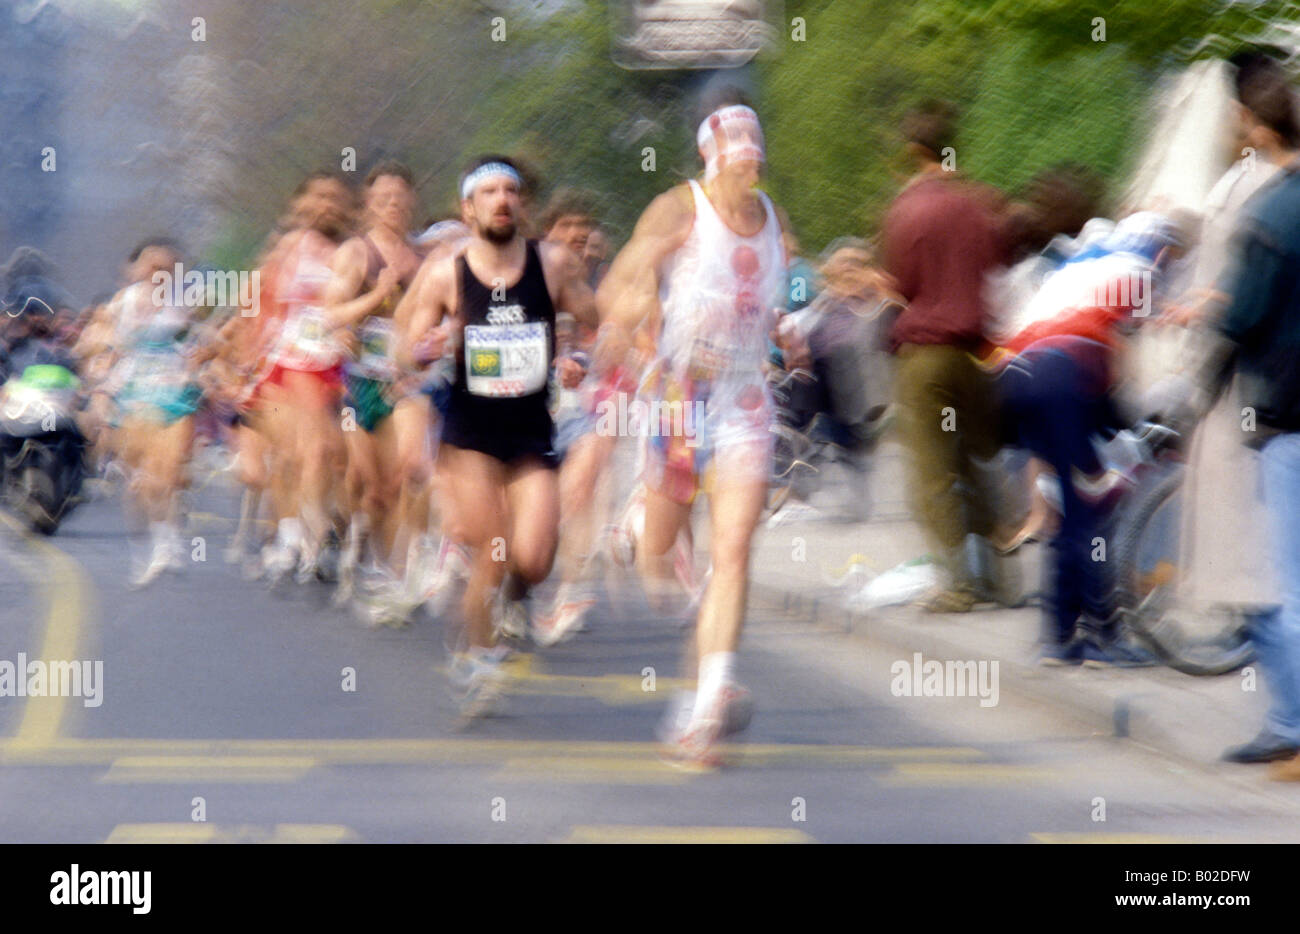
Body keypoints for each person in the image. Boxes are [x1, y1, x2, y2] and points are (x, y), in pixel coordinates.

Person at [597, 86, 785, 768]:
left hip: (746, 401)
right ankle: (638, 528)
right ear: (711, 153)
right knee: (659, 562)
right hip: (680, 396)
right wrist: (633, 301)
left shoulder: (771, 217)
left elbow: (765, 295)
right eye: (735, 152)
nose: (747, 165)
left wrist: (784, 331)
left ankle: (707, 702)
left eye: (754, 151)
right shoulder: (678, 209)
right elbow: (617, 285)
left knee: (731, 554)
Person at [401, 154, 598, 716]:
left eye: (510, 191)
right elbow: (403, 343)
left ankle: (511, 600)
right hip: (470, 434)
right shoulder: (446, 271)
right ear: (468, 208)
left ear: (523, 204)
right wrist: (431, 345)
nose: (501, 200)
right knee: (490, 548)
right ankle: (475, 655)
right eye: (487, 192)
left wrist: (577, 356)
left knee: (533, 559)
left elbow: (596, 320)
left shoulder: (552, 264)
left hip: (531, 429)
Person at [1190, 53, 1300, 771]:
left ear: (1251, 125)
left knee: (1276, 580)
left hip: (1281, 410)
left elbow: (1244, 320)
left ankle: (1290, 720)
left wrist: (1201, 377)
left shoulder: (1266, 213)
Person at [881, 100, 1012, 612]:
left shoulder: (906, 209)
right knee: (978, 463)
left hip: (926, 354)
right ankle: (999, 578)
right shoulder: (981, 202)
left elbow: (904, 284)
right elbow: (998, 261)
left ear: (914, 150)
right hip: (978, 352)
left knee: (933, 473)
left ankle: (958, 585)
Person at [321, 161, 425, 617]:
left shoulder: (424, 258)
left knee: (404, 474)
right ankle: (351, 536)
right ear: (369, 206)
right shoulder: (356, 254)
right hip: (359, 381)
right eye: (384, 199)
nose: (394, 206)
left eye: (401, 198)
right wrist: (375, 294)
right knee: (370, 485)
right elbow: (330, 316)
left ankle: (393, 572)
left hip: (403, 382)